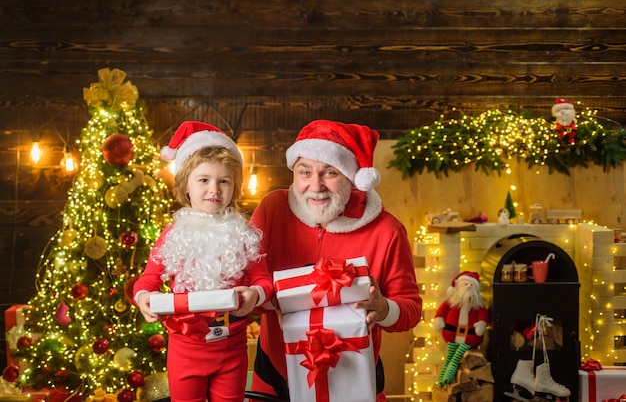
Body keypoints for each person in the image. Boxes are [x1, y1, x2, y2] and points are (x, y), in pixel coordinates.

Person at [249, 119, 423, 402]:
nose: (315, 186)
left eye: (330, 172)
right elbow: (245, 280)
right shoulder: (272, 209)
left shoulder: (387, 230)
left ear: (352, 176)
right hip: (274, 375)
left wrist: (383, 308)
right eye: (305, 172)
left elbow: (411, 310)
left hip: (353, 379)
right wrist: (267, 298)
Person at [133, 121, 273, 402]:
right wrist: (143, 296)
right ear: (185, 184)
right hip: (185, 350)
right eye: (204, 179)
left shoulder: (245, 234)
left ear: (234, 186)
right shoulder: (173, 234)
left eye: (224, 181)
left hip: (232, 348)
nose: (214, 189)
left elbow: (264, 280)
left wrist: (255, 293)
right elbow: (148, 277)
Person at [433, 271, 488, 386]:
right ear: (457, 286)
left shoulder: (478, 305)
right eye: (465, 284)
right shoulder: (451, 302)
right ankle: (441, 380)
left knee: (455, 359)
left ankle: (446, 379)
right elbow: (442, 310)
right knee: (449, 357)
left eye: (471, 285)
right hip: (452, 335)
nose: (468, 286)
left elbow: (483, 315)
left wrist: (481, 324)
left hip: (469, 338)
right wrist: (439, 319)